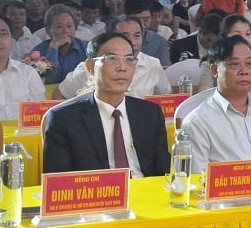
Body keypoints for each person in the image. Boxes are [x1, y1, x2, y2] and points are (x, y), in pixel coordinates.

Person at [43, 32, 169, 177]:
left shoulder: (150, 113)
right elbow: (59, 184)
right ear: (90, 67)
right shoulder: (64, 119)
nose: (122, 67)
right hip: (97, 195)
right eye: (111, 59)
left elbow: (163, 172)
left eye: (129, 59)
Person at [181, 35, 251, 173]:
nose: (244, 71)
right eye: (234, 64)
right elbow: (196, 180)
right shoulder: (197, 122)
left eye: (250, 63)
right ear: (215, 70)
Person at [53, 16, 171, 99]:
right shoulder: (92, 66)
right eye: (124, 36)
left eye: (137, 35)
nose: (132, 42)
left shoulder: (153, 65)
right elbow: (59, 94)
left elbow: (166, 98)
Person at [0, 11, 45, 120]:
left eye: (3, 34)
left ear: (11, 38)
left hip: (24, 137)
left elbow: (39, 118)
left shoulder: (28, 74)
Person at [31, 4, 88, 84]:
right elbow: (48, 80)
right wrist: (53, 48)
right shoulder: (38, 52)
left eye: (70, 26)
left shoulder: (87, 49)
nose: (66, 31)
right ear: (48, 31)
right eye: (59, 27)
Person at [123, 0, 171, 66]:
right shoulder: (114, 40)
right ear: (126, 17)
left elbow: (165, 69)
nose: (142, 24)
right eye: (137, 19)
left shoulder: (159, 42)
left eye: (146, 19)